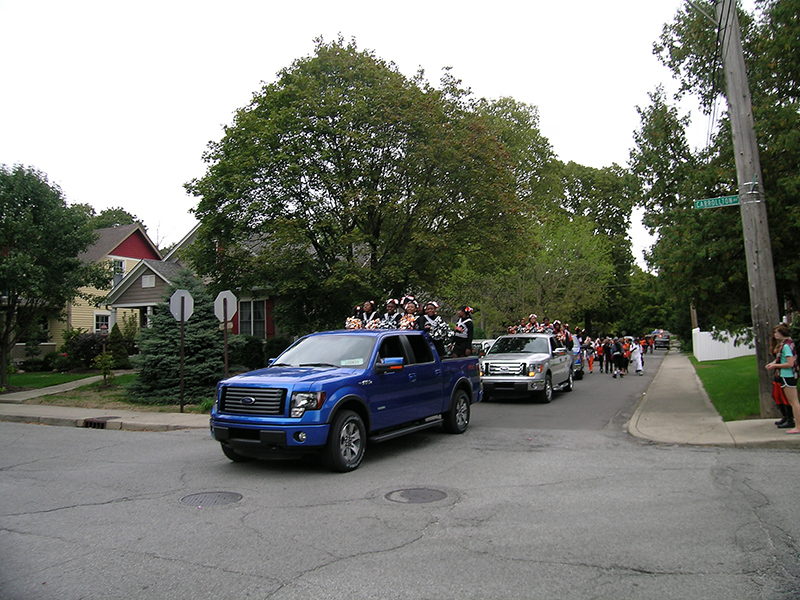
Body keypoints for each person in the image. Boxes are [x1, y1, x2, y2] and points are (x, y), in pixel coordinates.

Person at [766, 323, 800, 434]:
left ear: (781, 333)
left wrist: (776, 366)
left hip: (787, 375)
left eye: (777, 332)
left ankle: (797, 426)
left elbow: (790, 363)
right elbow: (782, 360)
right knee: (792, 401)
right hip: (785, 375)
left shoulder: (785, 346)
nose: (775, 334)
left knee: (794, 402)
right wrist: (773, 364)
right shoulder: (787, 344)